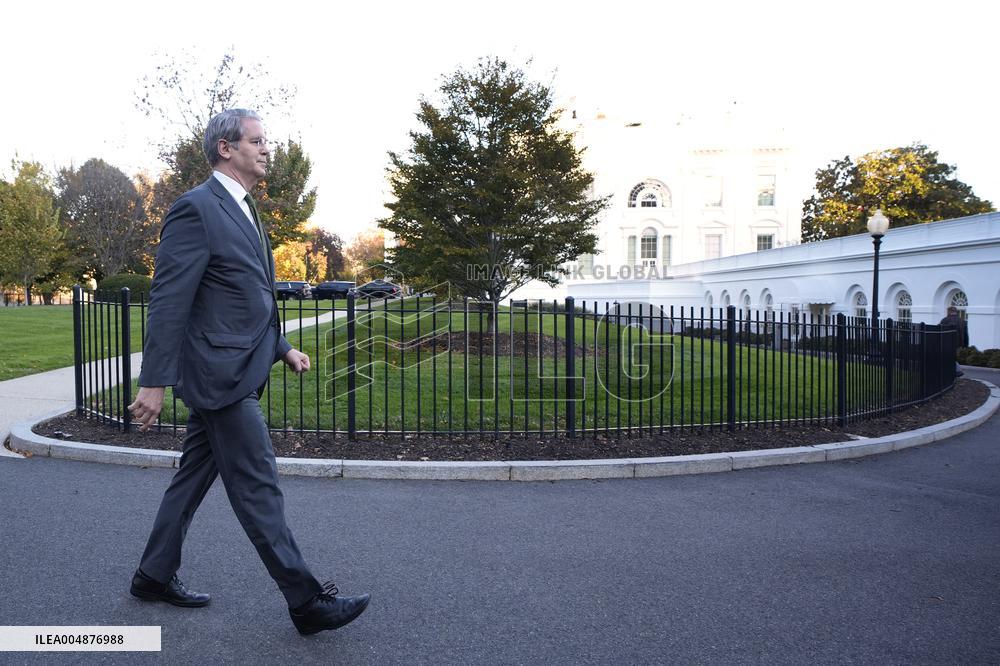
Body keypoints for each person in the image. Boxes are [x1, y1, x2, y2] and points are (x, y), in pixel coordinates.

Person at [127, 109, 370, 635]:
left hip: (237, 367)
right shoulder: (196, 210)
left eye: (267, 141)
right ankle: (306, 601)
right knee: (259, 487)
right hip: (221, 379)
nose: (267, 149)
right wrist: (154, 381)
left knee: (191, 480)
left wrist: (282, 347)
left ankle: (152, 575)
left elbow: (239, 296)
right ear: (225, 149)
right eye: (257, 141)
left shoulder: (244, 208)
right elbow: (170, 302)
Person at [938, 305, 969, 377]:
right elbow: (965, 334)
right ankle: (954, 373)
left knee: (948, 358)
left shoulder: (944, 320)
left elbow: (938, 331)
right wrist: (965, 345)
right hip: (958, 344)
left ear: (949, 311)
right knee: (953, 357)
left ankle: (956, 372)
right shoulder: (962, 321)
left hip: (946, 343)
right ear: (955, 312)